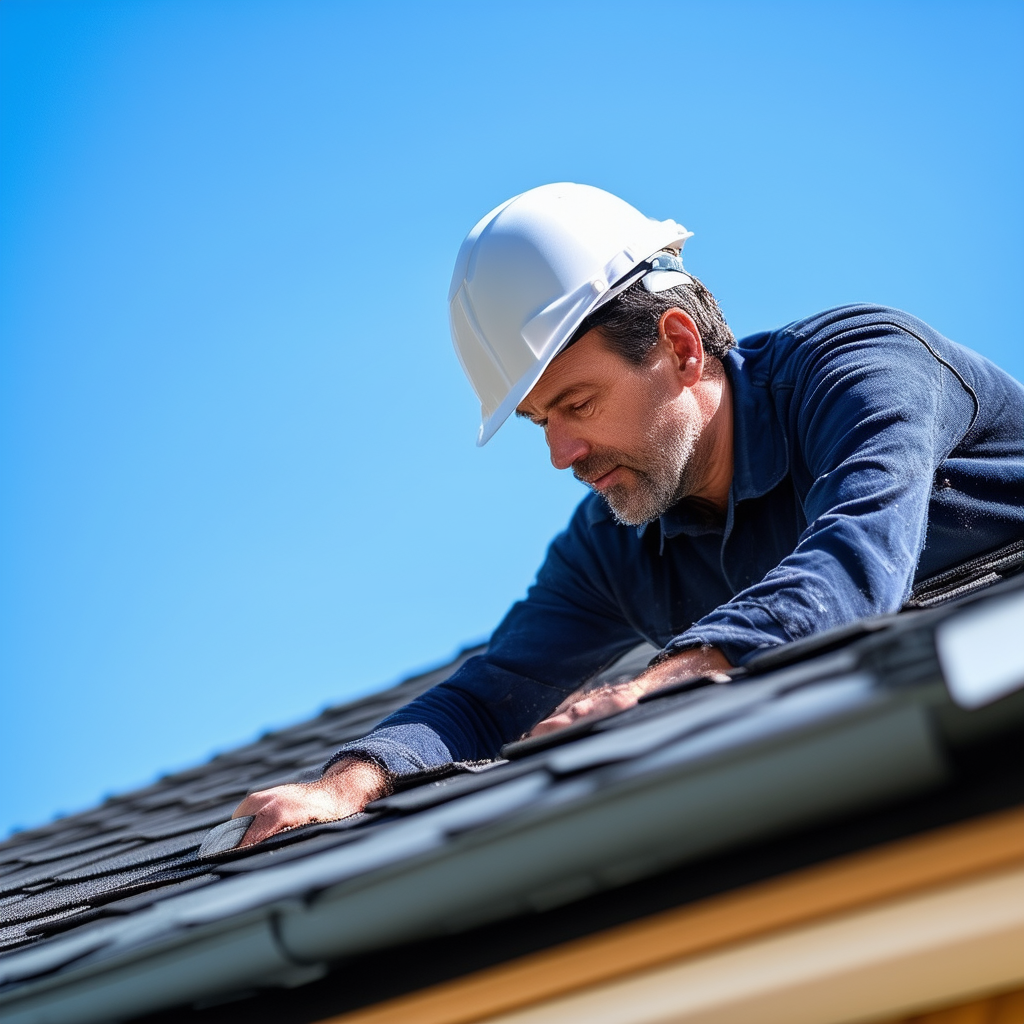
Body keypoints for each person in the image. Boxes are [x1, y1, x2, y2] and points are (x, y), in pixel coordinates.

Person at [234, 183, 1023, 846]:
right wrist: (346, 787)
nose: (562, 453)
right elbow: (489, 695)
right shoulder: (615, 546)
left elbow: (854, 559)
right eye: (543, 423)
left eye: (578, 404)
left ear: (680, 347)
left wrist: (662, 683)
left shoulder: (861, 370)